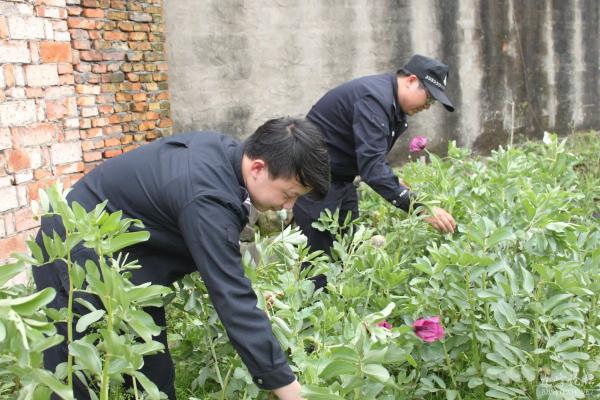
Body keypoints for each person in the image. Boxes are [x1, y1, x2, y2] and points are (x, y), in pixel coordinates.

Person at [33, 117, 330, 400]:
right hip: (74, 244)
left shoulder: (227, 156)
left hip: (125, 255)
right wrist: (287, 386)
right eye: (288, 194)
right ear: (258, 168)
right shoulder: (206, 198)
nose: (287, 206)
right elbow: (232, 301)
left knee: (151, 373)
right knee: (76, 374)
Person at [293, 54, 457, 288]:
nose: (427, 106)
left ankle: (335, 315)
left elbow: (371, 159)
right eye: (429, 97)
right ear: (411, 81)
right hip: (315, 183)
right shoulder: (374, 99)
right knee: (317, 265)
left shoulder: (388, 102)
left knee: (346, 251)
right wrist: (420, 208)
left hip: (341, 179)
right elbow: (372, 168)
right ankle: (307, 319)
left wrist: (395, 181)